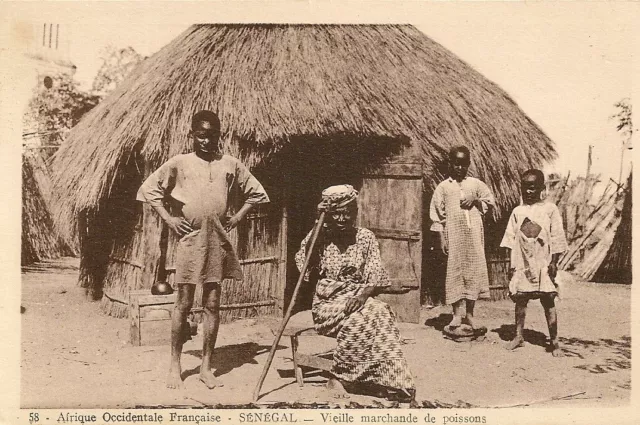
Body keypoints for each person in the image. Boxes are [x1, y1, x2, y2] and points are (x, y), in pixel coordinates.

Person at [137, 110, 270, 389]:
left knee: (212, 304)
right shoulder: (180, 163)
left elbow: (257, 192)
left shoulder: (230, 164)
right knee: (183, 303)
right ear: (192, 135)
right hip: (190, 238)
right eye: (201, 135)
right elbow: (150, 190)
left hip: (217, 239)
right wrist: (170, 219)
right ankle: (175, 366)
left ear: (219, 136)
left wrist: (238, 216)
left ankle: (206, 367)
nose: (206, 141)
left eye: (212, 136)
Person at [295, 185, 415, 402]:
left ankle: (390, 379)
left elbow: (375, 275)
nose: (342, 218)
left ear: (355, 212)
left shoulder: (365, 237)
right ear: (329, 216)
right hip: (328, 303)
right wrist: (317, 224)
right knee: (366, 316)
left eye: (347, 212)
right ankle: (342, 378)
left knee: (379, 311)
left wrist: (361, 296)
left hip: (358, 298)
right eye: (336, 213)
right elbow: (306, 267)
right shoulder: (319, 236)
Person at [500, 169, 567, 356]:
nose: (528, 192)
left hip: (543, 264)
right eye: (525, 188)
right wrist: (510, 265)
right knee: (521, 300)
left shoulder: (550, 209)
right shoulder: (518, 211)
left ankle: (554, 342)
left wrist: (554, 262)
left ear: (541, 188)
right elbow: (510, 238)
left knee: (548, 300)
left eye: (532, 188)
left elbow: (557, 237)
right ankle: (519, 336)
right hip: (523, 264)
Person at [429, 146, 495, 335]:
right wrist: (442, 239)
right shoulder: (443, 187)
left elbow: (490, 202)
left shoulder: (476, 184)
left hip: (473, 235)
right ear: (450, 163)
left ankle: (470, 314)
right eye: (456, 163)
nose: (459, 168)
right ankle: (457, 314)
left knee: (473, 270)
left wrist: (475, 200)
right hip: (454, 235)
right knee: (455, 270)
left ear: (468, 164)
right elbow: (436, 216)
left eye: (463, 164)